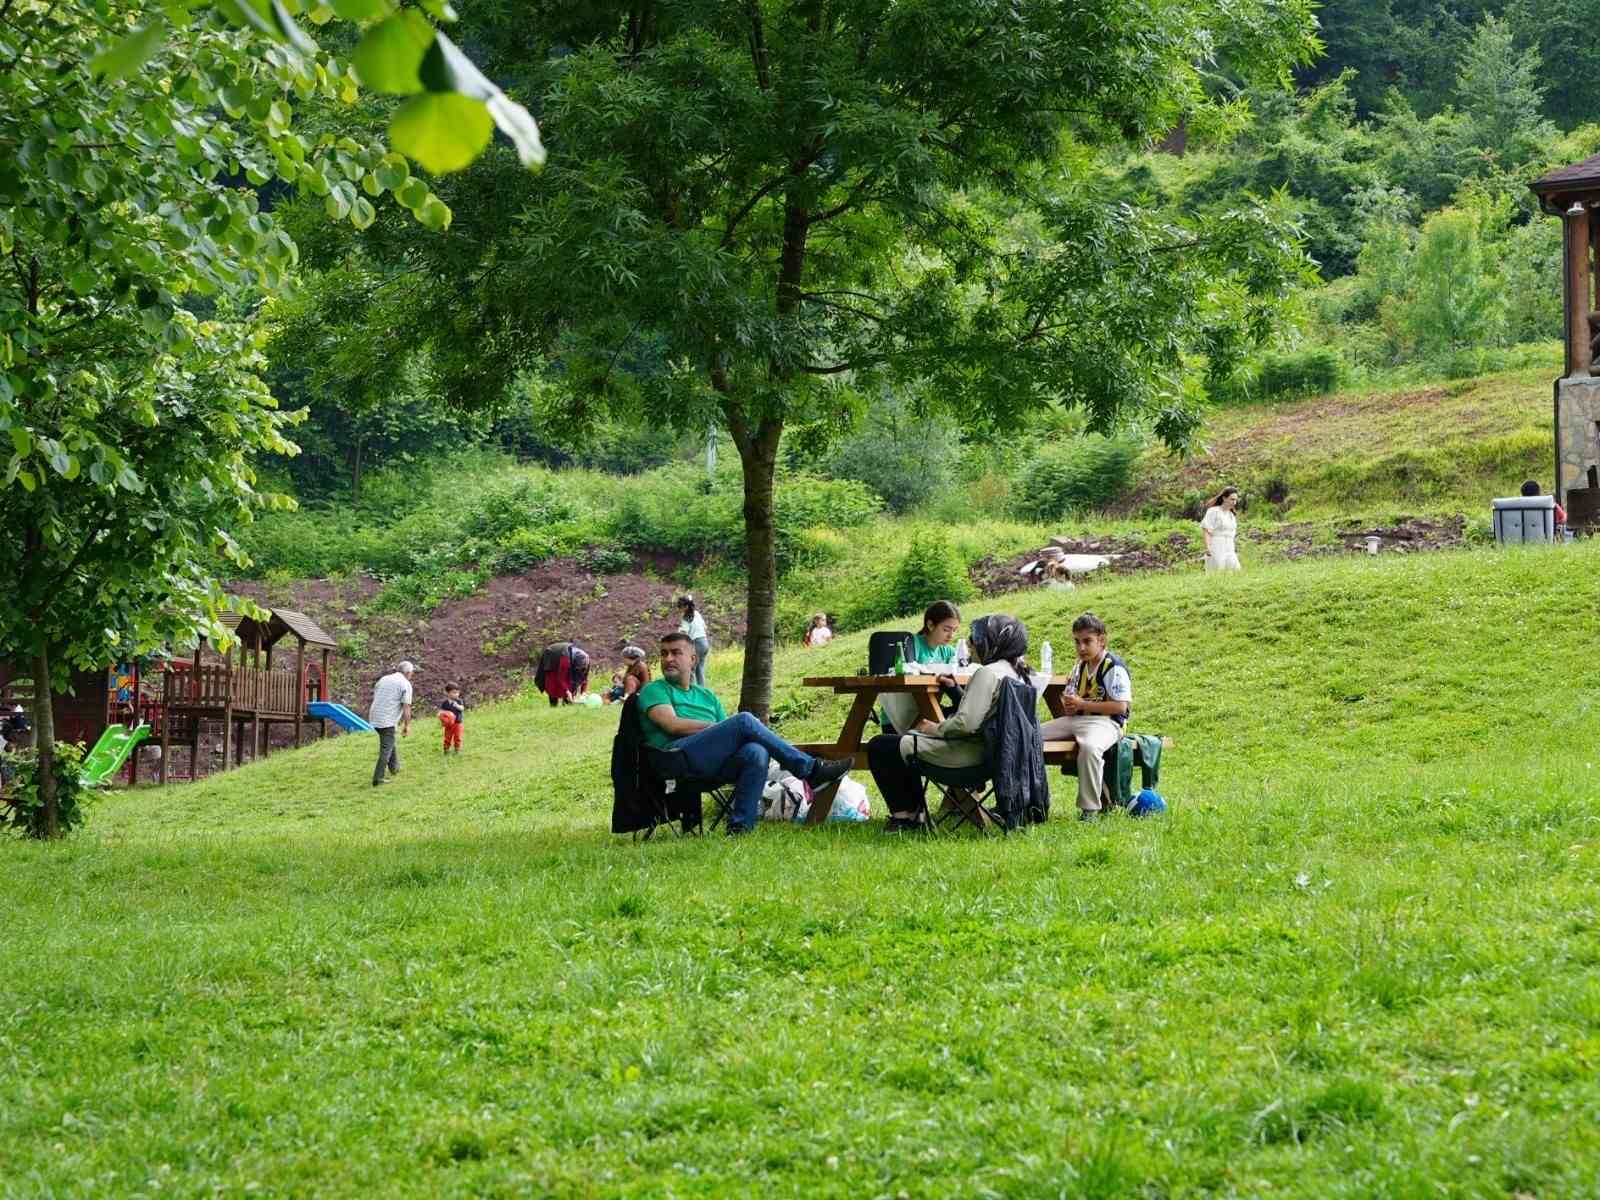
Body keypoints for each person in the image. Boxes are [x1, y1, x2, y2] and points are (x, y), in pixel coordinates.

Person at [637, 632, 852, 834]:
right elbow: (672, 725)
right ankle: (810, 771)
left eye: (676, 652)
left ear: (693, 660)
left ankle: (740, 828)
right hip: (673, 758)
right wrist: (719, 729)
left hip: (711, 764)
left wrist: (727, 730)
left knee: (755, 751)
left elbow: (730, 735)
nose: (668, 658)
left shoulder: (707, 696)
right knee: (744, 721)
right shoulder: (654, 689)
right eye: (664, 653)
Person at [867, 612, 1041, 833]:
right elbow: (988, 715)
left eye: (975, 638)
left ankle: (906, 818)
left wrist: (934, 728)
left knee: (882, 746)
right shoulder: (1018, 673)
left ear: (992, 642)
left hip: (968, 758)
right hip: (999, 758)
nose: (970, 643)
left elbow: (966, 724)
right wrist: (954, 690)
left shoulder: (986, 674)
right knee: (904, 741)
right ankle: (914, 815)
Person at [1038, 613, 1131, 821]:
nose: (1081, 648)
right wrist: (1070, 706)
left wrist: (1083, 704)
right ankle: (1030, 802)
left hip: (1107, 723)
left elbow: (1121, 707)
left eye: (1087, 641)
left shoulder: (1113, 667)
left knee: (1090, 747)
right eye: (1077, 642)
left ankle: (1089, 810)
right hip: (1077, 720)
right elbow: (1073, 703)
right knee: (1030, 735)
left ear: (1102, 640)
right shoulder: (1079, 666)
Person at [880, 600, 962, 734]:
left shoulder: (948, 651)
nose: (951, 635)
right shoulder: (912, 645)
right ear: (930, 625)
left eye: (954, 630)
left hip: (927, 713)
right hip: (900, 717)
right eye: (946, 629)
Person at [368, 661, 414, 787]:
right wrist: (407, 725)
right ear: (408, 673)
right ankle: (378, 779)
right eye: (412, 673)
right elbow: (406, 707)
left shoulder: (384, 679)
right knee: (386, 748)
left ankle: (394, 767)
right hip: (386, 720)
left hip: (374, 716)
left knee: (389, 740)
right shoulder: (405, 684)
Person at [535, 642, 591, 707]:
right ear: (574, 664)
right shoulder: (565, 660)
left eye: (581, 669)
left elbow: (584, 678)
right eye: (578, 669)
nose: (580, 670)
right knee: (553, 683)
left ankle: (567, 703)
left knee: (572, 683)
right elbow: (561, 678)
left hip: (567, 658)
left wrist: (583, 693)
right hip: (553, 655)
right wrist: (567, 691)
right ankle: (553, 705)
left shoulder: (587, 660)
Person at [1200, 485, 1241, 571]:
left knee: (1235, 570)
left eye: (1236, 500)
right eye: (1232, 499)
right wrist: (1207, 547)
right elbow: (1206, 529)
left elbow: (1231, 533)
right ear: (1224, 498)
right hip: (1217, 545)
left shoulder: (1231, 515)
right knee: (1217, 572)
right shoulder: (1214, 511)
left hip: (1230, 547)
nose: (1234, 502)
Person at [676, 595, 711, 687]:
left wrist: (679, 632)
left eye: (680, 606)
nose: (678, 608)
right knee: (700, 669)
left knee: (690, 668)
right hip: (705, 643)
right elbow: (705, 627)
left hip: (697, 644)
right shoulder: (696, 613)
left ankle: (692, 690)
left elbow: (684, 633)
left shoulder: (686, 618)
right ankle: (702, 690)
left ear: (686, 606)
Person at [438, 683, 465, 755]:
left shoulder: (459, 701)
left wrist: (457, 706)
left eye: (457, 692)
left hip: (457, 723)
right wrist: (440, 716)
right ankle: (446, 749)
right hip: (448, 724)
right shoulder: (445, 703)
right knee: (447, 737)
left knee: (457, 737)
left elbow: (462, 708)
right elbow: (442, 712)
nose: (456, 694)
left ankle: (457, 749)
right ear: (447, 693)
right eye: (454, 692)